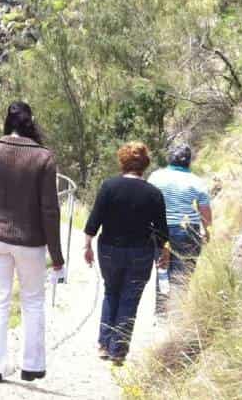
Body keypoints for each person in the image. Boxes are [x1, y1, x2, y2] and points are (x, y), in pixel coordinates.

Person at [0, 101, 64, 384]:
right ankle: (31, 366)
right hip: (30, 241)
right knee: (32, 301)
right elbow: (50, 209)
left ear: (6, 122)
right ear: (30, 122)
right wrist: (56, 254)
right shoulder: (44, 157)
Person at [83, 142, 170, 365]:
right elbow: (161, 230)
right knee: (130, 299)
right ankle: (118, 350)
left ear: (122, 161)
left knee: (111, 292)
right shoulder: (153, 193)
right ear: (145, 164)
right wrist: (164, 252)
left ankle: (104, 344)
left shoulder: (109, 186)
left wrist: (87, 246)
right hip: (141, 252)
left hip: (110, 249)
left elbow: (94, 220)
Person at [148, 144, 212, 299]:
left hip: (160, 230)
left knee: (163, 270)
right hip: (188, 231)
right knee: (183, 274)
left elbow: (147, 202)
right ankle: (177, 313)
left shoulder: (156, 177)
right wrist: (207, 230)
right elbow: (205, 212)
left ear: (169, 158)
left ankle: (161, 312)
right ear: (189, 161)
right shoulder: (197, 181)